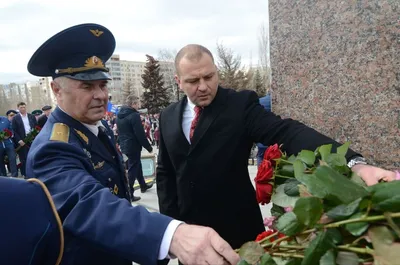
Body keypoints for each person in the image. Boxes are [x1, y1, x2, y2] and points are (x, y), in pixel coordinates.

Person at [25, 24, 239, 265]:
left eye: (102, 85)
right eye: (87, 86)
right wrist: (169, 235)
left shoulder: (95, 128)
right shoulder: (53, 147)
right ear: (56, 90)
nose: (101, 96)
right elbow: (89, 204)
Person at [156, 44, 397, 250]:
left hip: (238, 233)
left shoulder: (239, 106)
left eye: (209, 77)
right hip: (190, 237)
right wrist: (171, 230)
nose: (203, 86)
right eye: (193, 81)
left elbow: (287, 132)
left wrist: (353, 163)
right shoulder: (167, 116)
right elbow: (166, 173)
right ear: (178, 81)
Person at [117, 95, 153, 202]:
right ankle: (130, 193)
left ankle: (143, 185)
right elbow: (140, 134)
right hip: (133, 145)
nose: (138, 105)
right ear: (133, 104)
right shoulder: (134, 115)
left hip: (124, 145)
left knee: (136, 165)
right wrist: (149, 147)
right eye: (137, 103)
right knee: (133, 167)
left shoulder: (119, 115)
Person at [12, 102, 37, 177]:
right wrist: (19, 140)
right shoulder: (15, 118)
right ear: (18, 108)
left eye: (24, 107)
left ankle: (35, 172)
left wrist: (35, 136)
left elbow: (36, 127)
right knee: (24, 158)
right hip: (22, 140)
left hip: (32, 139)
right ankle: (26, 174)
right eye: (21, 107)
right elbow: (14, 130)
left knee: (33, 155)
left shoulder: (31, 116)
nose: (23, 109)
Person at [256, 93, 272, 166]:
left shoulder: (259, 102)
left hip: (261, 143)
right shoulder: (277, 101)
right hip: (275, 144)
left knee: (262, 160)